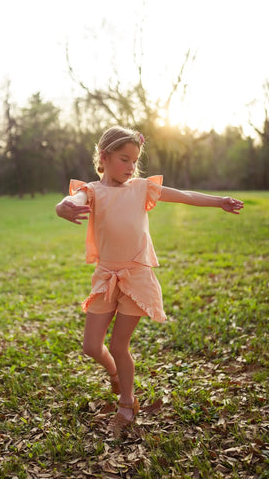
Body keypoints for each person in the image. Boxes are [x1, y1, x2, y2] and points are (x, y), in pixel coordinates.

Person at [55, 125, 244, 438]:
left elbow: (184, 195)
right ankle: (114, 373)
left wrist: (218, 200)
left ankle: (127, 404)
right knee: (91, 346)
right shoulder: (92, 190)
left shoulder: (141, 187)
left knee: (119, 344)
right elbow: (72, 198)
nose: (131, 167)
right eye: (124, 159)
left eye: (134, 161)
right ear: (104, 157)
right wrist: (63, 206)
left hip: (137, 276)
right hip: (107, 276)